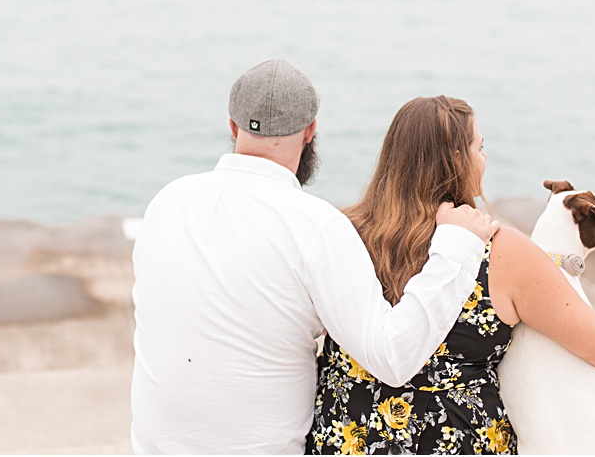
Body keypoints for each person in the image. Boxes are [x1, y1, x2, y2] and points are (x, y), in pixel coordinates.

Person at [130, 60, 500, 454]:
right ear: (311, 132)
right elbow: (392, 357)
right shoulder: (315, 225)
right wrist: (456, 246)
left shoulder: (168, 202)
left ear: (233, 127)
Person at [306, 96, 595, 455]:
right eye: (480, 147)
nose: (484, 157)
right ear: (457, 160)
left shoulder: (342, 232)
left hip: (344, 440)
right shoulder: (502, 250)